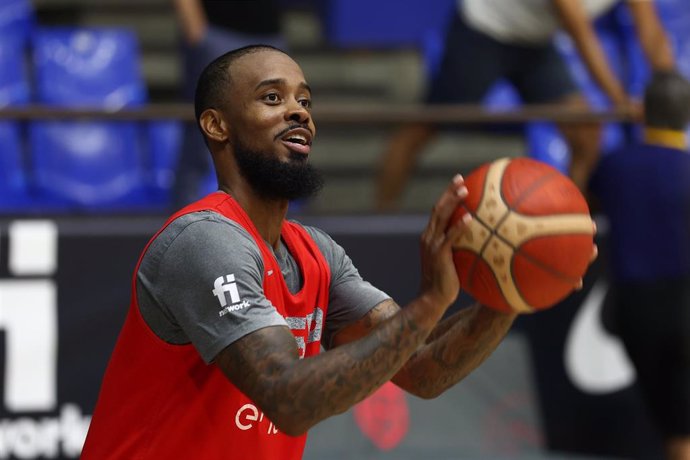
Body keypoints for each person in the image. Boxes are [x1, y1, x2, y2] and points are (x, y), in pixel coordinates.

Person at [80, 45, 596, 459]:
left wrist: (509, 292)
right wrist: (430, 303)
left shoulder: (316, 252)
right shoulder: (204, 241)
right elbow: (288, 398)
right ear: (217, 126)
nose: (298, 112)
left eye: (304, 100)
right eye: (272, 98)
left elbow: (419, 369)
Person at [376, 0, 675, 211]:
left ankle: (569, 218)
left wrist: (670, 89)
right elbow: (581, 34)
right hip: (484, 31)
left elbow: (651, 31)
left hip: (536, 41)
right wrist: (621, 100)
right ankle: (382, 215)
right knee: (424, 127)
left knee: (585, 130)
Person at [589, 71, 690, 460]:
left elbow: (580, 200)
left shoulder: (615, 165)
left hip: (635, 308)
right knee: (681, 429)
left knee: (671, 425)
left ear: (642, 112)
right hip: (682, 301)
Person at [172, 0, 286, 208]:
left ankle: (265, 222)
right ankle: (185, 224)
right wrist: (195, 27)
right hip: (218, 32)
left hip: (270, 33)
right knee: (205, 133)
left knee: (271, 134)